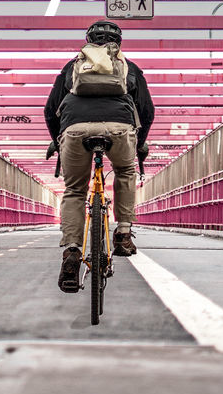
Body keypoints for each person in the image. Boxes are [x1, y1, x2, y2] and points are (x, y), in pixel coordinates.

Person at [44, 20, 153, 293]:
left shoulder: (72, 67)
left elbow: (50, 108)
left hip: (74, 128)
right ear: (118, 42)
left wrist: (57, 140)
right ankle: (124, 233)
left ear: (89, 40)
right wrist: (139, 143)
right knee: (126, 173)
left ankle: (71, 250)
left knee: (74, 190)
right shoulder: (129, 67)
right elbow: (146, 110)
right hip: (119, 128)